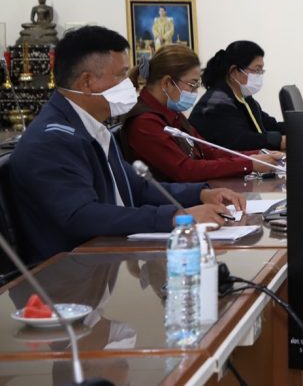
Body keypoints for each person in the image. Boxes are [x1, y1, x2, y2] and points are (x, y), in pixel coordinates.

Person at [7, 26, 243, 263]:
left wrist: (201, 194)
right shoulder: (52, 140)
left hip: (110, 255)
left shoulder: (93, 127)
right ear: (88, 82)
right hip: (73, 271)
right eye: (120, 75)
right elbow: (81, 215)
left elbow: (138, 188)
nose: (129, 84)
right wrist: (175, 217)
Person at [121, 44, 283, 182]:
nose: (194, 92)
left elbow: (208, 151)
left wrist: (257, 155)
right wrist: (249, 164)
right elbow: (185, 170)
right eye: (192, 84)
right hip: (174, 204)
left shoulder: (171, 112)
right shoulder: (144, 122)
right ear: (167, 83)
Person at [189, 40, 286, 151]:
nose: (260, 75)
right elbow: (242, 141)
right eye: (257, 70)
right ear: (234, 71)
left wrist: (298, 128)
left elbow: (270, 125)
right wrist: (281, 141)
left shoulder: (244, 98)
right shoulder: (217, 103)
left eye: (261, 70)